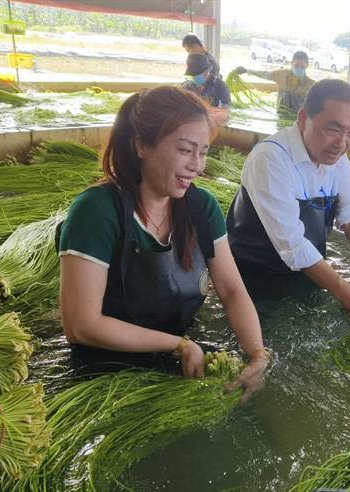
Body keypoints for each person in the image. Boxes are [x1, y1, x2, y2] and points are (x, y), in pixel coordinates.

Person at [57, 86, 268, 399]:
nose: (197, 165)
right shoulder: (97, 211)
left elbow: (232, 290)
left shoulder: (202, 207)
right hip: (102, 376)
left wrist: (257, 356)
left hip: (177, 354)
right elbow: (81, 325)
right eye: (185, 150)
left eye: (204, 151)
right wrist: (178, 345)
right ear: (142, 145)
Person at [226, 79, 350, 318]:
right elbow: (293, 244)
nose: (342, 143)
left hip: (309, 270)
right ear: (303, 118)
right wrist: (349, 295)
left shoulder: (337, 160)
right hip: (253, 277)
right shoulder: (271, 159)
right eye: (333, 130)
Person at [235, 51, 314, 114]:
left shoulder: (310, 84)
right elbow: (265, 74)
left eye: (302, 67)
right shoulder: (281, 74)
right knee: (286, 95)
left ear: (307, 66)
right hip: (281, 114)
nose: (299, 69)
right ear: (291, 63)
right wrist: (246, 70)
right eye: (296, 66)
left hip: (298, 119)